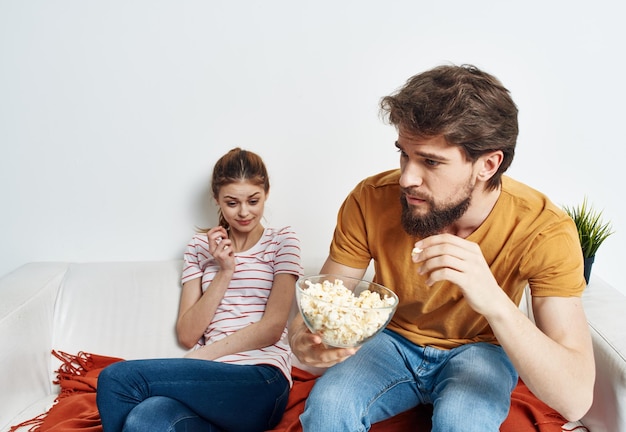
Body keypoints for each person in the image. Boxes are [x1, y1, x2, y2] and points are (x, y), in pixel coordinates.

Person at [288, 64, 595, 431]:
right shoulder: (370, 199)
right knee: (326, 409)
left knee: (462, 423)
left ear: (488, 164)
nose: (407, 178)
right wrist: (303, 339)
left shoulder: (544, 229)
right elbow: (323, 306)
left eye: (431, 161)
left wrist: (493, 300)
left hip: (482, 351)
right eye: (404, 154)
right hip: (391, 341)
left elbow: (575, 398)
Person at [96, 147, 303, 432]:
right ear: (216, 199)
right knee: (144, 419)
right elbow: (188, 334)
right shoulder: (198, 247)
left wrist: (202, 357)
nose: (244, 212)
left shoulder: (283, 241)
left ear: (266, 193)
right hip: (207, 382)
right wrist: (225, 271)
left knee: (116, 379)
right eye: (232, 203)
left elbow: (272, 327)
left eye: (253, 201)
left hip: (261, 380)